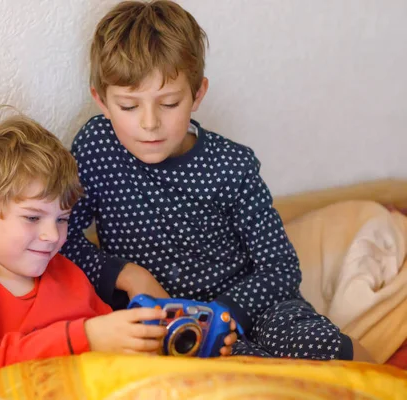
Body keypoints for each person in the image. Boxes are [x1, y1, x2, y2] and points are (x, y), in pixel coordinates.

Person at [61, 0, 372, 362]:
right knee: (242, 376)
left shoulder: (232, 166)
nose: (149, 123)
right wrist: (126, 275)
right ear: (101, 100)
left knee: (328, 349)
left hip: (253, 307)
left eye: (169, 103)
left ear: (197, 94)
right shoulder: (98, 147)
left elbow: (281, 268)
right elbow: (60, 237)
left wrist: (225, 313)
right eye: (129, 106)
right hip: (168, 325)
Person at [0, 108, 173, 385]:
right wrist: (82, 337)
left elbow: (114, 341)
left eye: (62, 219)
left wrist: (165, 340)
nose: (52, 235)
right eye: (32, 217)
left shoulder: (67, 272)